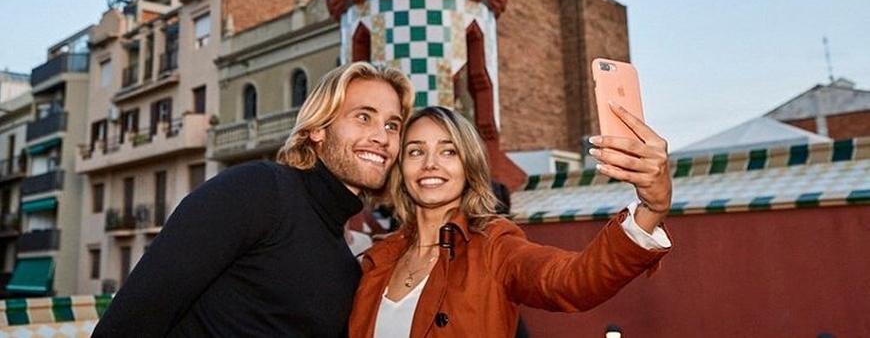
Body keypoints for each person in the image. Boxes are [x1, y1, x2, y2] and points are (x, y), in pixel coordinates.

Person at [92, 61, 414, 338]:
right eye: (363, 117)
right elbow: (130, 321)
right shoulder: (258, 191)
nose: (381, 137)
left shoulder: (346, 268)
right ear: (318, 129)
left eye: (392, 125)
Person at [349, 105, 673, 337]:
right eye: (416, 152)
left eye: (449, 152)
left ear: (470, 167)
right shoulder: (377, 259)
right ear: (400, 168)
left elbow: (574, 281)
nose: (431, 163)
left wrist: (652, 207)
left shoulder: (494, 248)